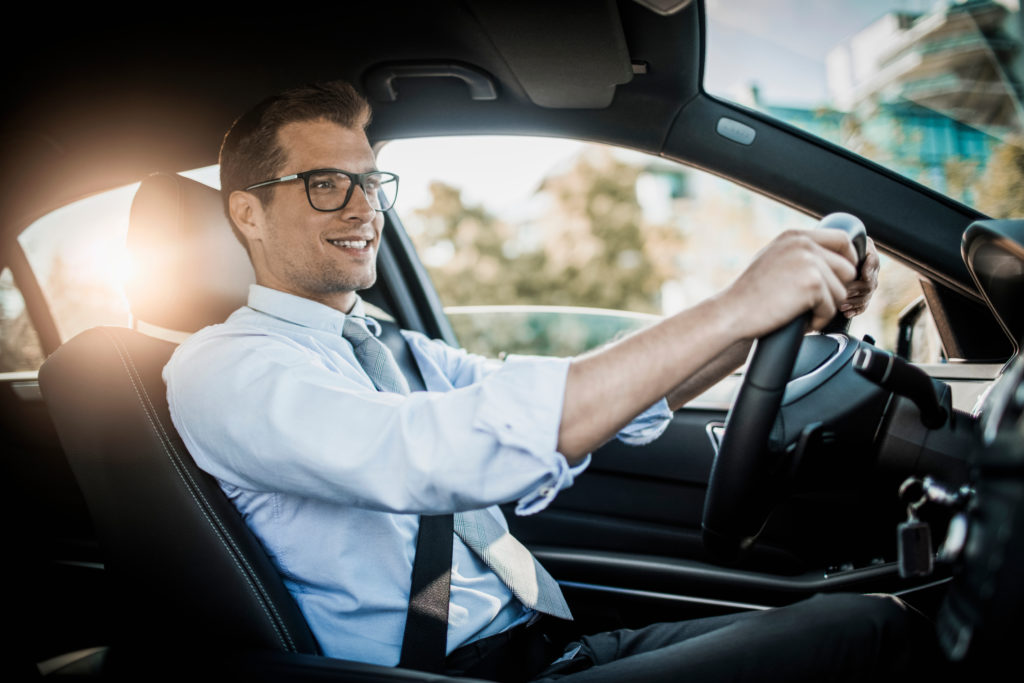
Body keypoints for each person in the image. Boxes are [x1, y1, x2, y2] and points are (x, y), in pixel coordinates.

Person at [164, 81, 924, 682]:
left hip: (549, 644)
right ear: (248, 213)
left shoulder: (396, 350)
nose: (366, 208)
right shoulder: (225, 370)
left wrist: (756, 324)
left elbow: (586, 402)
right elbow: (436, 453)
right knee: (869, 633)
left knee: (858, 617)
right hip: (444, 673)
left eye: (371, 181)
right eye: (327, 184)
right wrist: (733, 305)